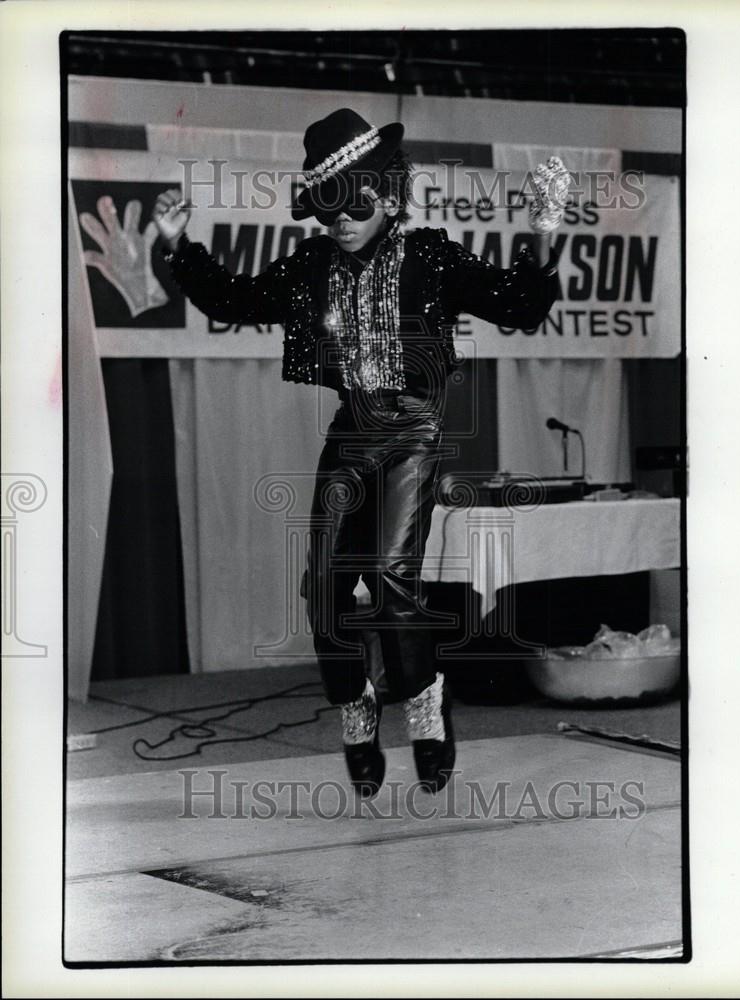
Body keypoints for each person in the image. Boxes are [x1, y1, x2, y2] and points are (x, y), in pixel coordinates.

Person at [152, 108, 568, 798]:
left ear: (388, 194)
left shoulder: (429, 256)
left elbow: (518, 304)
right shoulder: (311, 265)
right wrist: (178, 245)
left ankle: (425, 704)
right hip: (351, 431)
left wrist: (543, 229)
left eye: (355, 202)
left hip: (410, 430)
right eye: (325, 208)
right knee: (325, 587)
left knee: (391, 579)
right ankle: (356, 706)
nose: (340, 220)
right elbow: (235, 295)